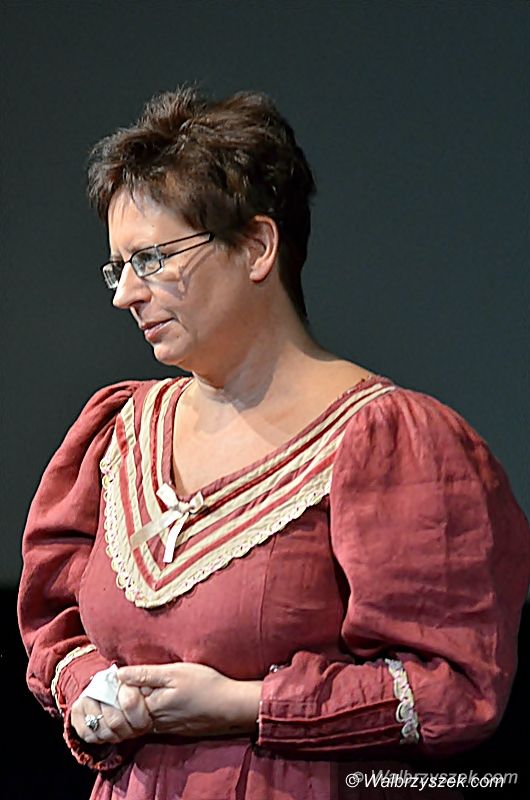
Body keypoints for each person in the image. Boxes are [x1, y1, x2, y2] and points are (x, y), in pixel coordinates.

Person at [18, 85, 530, 800]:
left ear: (257, 247)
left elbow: (455, 686)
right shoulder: (119, 431)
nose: (124, 294)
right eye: (119, 266)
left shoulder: (388, 442)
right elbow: (56, 620)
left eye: (152, 259)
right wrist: (90, 690)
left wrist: (245, 705)